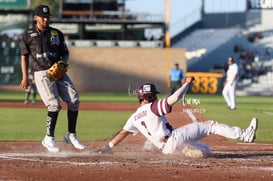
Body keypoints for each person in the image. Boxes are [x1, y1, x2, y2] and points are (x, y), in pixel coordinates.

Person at [96, 77, 258, 158]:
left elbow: (122, 133)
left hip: (167, 150)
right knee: (211, 125)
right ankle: (245, 134)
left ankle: (189, 151)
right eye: (154, 95)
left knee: (206, 150)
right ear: (150, 96)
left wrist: (107, 147)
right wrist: (187, 83)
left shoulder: (134, 117)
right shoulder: (153, 107)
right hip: (174, 138)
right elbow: (174, 98)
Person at [19, 5, 85, 152]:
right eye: (43, 17)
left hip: (58, 71)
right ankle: (49, 138)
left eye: (48, 16)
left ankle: (71, 134)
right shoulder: (27, 35)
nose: (46, 19)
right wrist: (25, 77)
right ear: (35, 18)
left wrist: (63, 63)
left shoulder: (56, 33)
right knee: (54, 105)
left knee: (74, 100)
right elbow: (23, 57)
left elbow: (65, 53)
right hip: (41, 72)